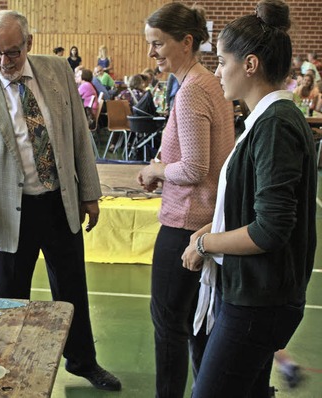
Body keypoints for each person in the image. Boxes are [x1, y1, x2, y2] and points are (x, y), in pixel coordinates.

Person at [0, 10, 121, 391]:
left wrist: (90, 193)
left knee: (73, 288)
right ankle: (8, 368)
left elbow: (79, 134)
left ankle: (82, 361)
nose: (4, 62)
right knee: (9, 301)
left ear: (29, 43)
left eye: (12, 52)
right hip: (9, 213)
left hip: (60, 202)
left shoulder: (57, 70)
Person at [180, 1, 316, 396]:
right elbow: (248, 207)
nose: (218, 71)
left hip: (260, 301)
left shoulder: (275, 126)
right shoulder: (266, 121)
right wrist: (210, 228)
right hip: (253, 293)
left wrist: (205, 243)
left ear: (250, 64)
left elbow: (270, 229)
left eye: (223, 62)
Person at [136, 3, 235, 397]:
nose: (152, 53)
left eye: (158, 44)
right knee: (198, 325)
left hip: (185, 227)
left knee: (169, 326)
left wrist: (156, 170)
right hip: (208, 220)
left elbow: (193, 168)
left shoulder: (192, 91)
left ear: (187, 42)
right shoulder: (210, 83)